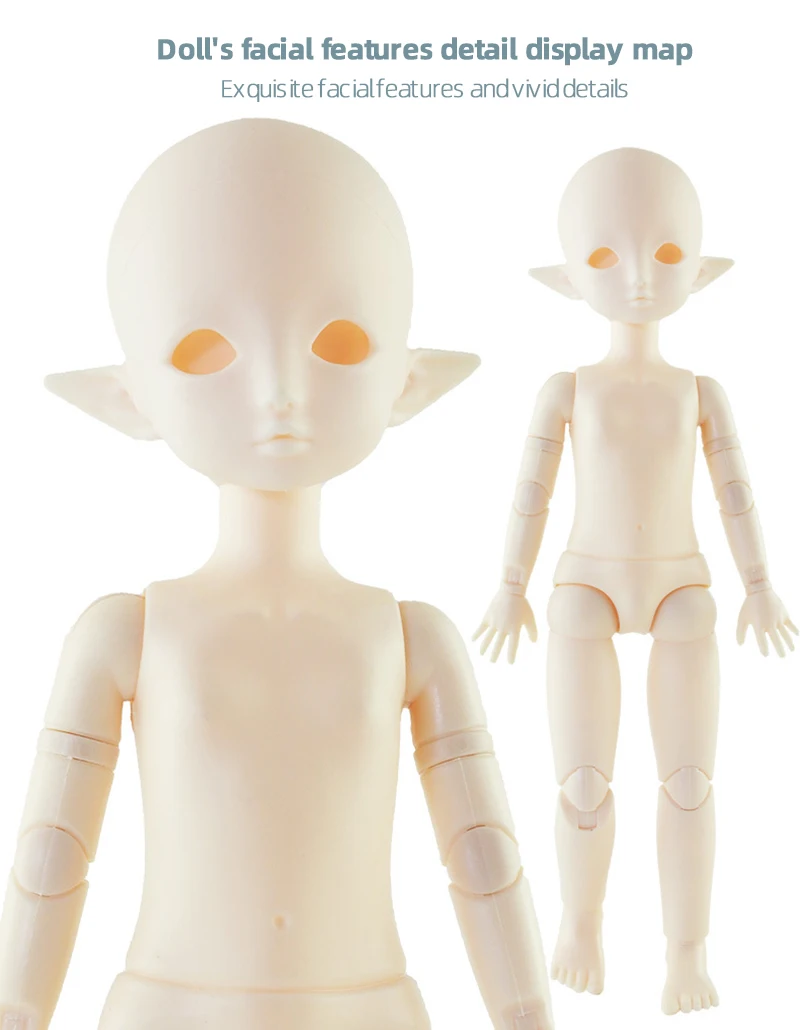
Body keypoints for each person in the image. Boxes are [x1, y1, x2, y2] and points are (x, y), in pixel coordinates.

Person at [0, 119, 552, 1030]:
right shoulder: (127, 634)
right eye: (207, 349)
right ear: (127, 397)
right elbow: (49, 857)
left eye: (337, 340)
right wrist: (19, 1009)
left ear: (409, 380)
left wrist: (527, 1011)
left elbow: (484, 856)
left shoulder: (411, 638)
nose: (278, 392)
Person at [474, 147, 795, 1015]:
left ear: (699, 268)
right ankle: (580, 925)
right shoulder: (567, 389)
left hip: (684, 588)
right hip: (584, 587)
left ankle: (687, 954)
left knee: (689, 784)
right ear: (570, 277)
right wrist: (510, 583)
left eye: (667, 253)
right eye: (606, 256)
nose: (643, 278)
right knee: (583, 784)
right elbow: (532, 493)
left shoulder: (701, 391)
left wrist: (759, 583)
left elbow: (735, 492)